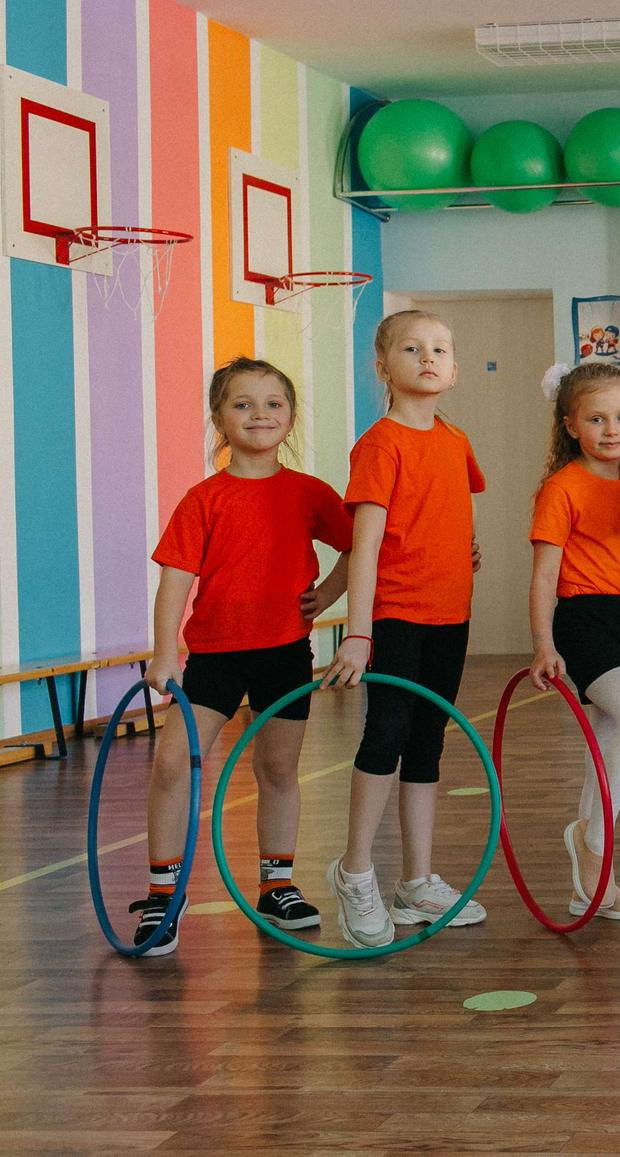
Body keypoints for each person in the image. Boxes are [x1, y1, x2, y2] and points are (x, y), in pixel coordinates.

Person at [132, 358, 351, 955]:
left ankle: (276, 885)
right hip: (212, 657)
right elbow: (174, 581)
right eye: (242, 404)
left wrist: (327, 595)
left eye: (273, 403)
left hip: (284, 651)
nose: (259, 414)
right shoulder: (204, 498)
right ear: (219, 419)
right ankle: (162, 896)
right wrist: (164, 654)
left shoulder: (309, 493)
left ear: (290, 416)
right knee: (173, 763)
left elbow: (365, 546)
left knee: (278, 771)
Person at [321, 310, 487, 947]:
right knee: (385, 734)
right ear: (382, 367)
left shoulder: (456, 440)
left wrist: (462, 546)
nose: (429, 357)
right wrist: (356, 632)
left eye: (441, 348)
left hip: (452, 615)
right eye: (412, 348)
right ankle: (355, 869)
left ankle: (417, 880)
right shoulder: (380, 444)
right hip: (395, 614)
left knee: (427, 744)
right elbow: (364, 546)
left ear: (454, 367)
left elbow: (453, 512)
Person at [527, 361, 620, 922]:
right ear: (570, 425)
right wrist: (543, 643)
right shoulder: (562, 488)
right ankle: (591, 838)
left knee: (608, 739)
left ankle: (596, 878)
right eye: (597, 418)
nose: (613, 429)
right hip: (583, 620)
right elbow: (542, 575)